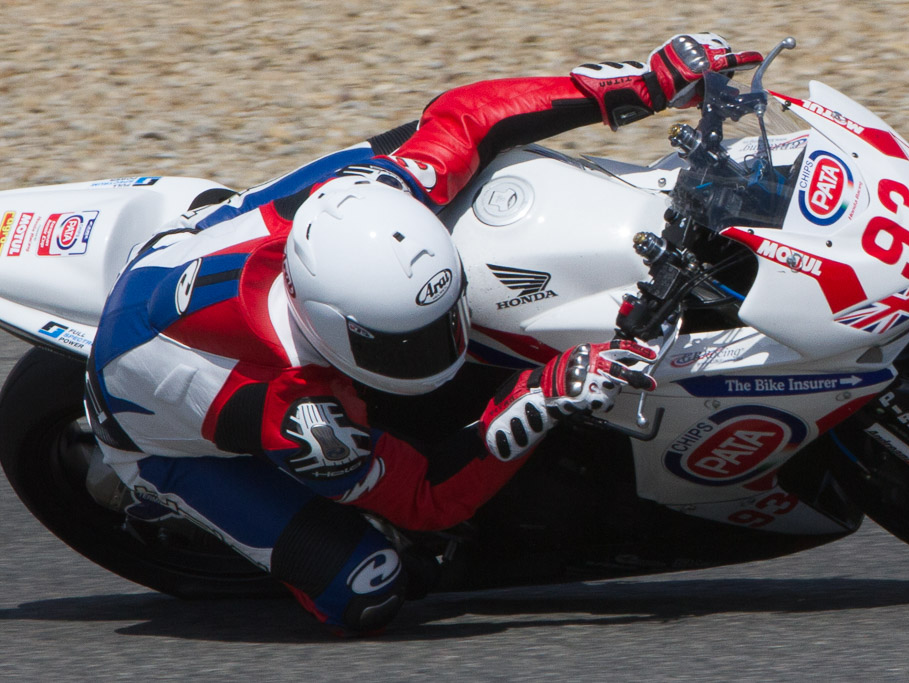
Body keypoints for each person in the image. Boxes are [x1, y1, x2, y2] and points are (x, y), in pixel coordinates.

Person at [85, 33, 762, 635]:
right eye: (408, 345)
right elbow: (428, 499)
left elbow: (472, 115)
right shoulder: (301, 415)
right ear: (331, 328)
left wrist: (643, 83)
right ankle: (153, 490)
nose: (444, 348)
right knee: (372, 585)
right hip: (160, 432)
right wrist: (540, 394)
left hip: (188, 254)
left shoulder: (375, 191)